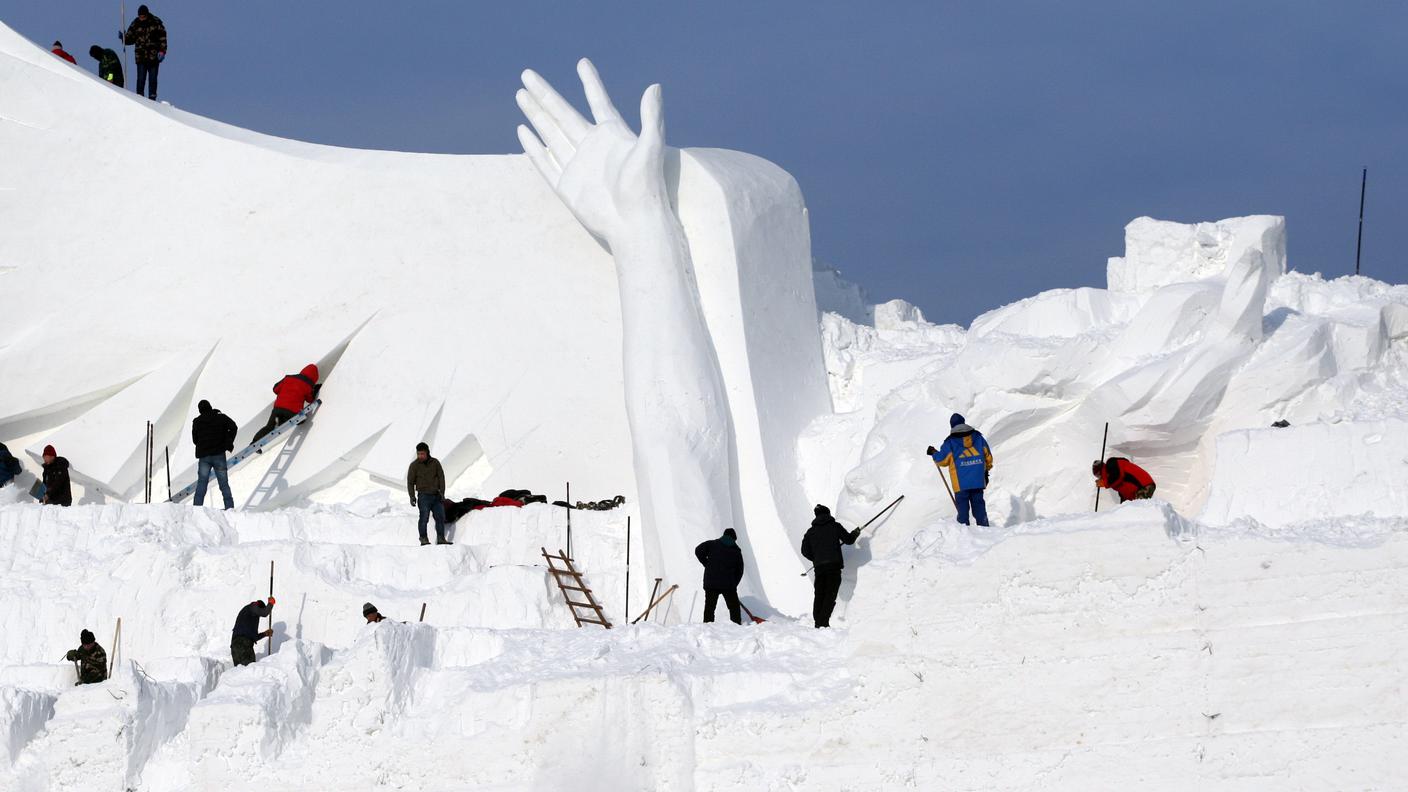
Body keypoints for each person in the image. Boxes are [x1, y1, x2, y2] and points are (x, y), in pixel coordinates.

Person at [928, 413, 994, 527]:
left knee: (963, 513)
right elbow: (988, 457)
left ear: (952, 426)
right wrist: (985, 472)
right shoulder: (978, 437)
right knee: (979, 509)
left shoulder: (950, 442)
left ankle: (963, 536)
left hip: (960, 484)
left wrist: (934, 453)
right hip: (977, 481)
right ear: (963, 422)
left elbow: (942, 460)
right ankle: (986, 531)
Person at [800, 505, 861, 629]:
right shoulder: (835, 526)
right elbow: (849, 540)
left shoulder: (810, 532)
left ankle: (818, 621)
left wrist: (816, 558)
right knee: (830, 594)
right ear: (828, 513)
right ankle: (822, 623)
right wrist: (855, 533)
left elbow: (804, 551)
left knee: (820, 594)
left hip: (819, 568)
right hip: (833, 566)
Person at [250, 364, 320, 446]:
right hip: (292, 412)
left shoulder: (288, 378)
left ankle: (254, 442)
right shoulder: (308, 385)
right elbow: (310, 400)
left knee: (269, 427)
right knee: (302, 420)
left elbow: (275, 389)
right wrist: (315, 389)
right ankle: (281, 422)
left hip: (277, 409)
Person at [191, 399, 238, 509]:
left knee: (202, 483)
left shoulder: (197, 421)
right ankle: (229, 507)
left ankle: (197, 509)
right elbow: (233, 427)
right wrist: (228, 442)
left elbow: (194, 440)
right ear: (210, 406)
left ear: (200, 410)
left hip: (204, 457)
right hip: (218, 455)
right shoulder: (220, 417)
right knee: (223, 483)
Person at [694, 529, 745, 624]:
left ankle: (707, 627)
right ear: (734, 539)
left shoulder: (712, 544)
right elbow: (740, 570)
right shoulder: (736, 551)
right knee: (734, 607)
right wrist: (734, 583)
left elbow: (698, 550)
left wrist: (707, 564)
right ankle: (737, 626)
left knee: (710, 607)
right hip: (728, 584)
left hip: (711, 582)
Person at [120, 4, 166, 100]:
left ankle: (152, 98)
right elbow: (130, 39)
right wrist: (124, 37)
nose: (141, 18)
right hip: (140, 57)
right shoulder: (135, 24)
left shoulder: (156, 22)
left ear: (147, 14)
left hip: (153, 57)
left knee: (152, 79)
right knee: (140, 79)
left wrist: (162, 51)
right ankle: (139, 98)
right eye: (140, 17)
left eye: (143, 17)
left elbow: (163, 38)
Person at [407, 442, 449, 546]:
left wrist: (442, 492)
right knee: (424, 517)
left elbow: (441, 477)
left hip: (436, 495)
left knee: (440, 517)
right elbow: (410, 482)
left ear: (427, 453)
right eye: (418, 454)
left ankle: (441, 538)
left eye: (422, 454)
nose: (420, 456)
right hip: (423, 496)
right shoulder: (414, 466)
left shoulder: (435, 463)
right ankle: (423, 539)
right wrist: (412, 496)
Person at [231, 597, 275, 666]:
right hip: (243, 645)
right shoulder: (253, 607)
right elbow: (265, 613)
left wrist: (265, 634)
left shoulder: (249, 617)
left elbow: (253, 637)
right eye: (260, 611)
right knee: (250, 671)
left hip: (235, 647)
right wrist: (271, 603)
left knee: (240, 674)